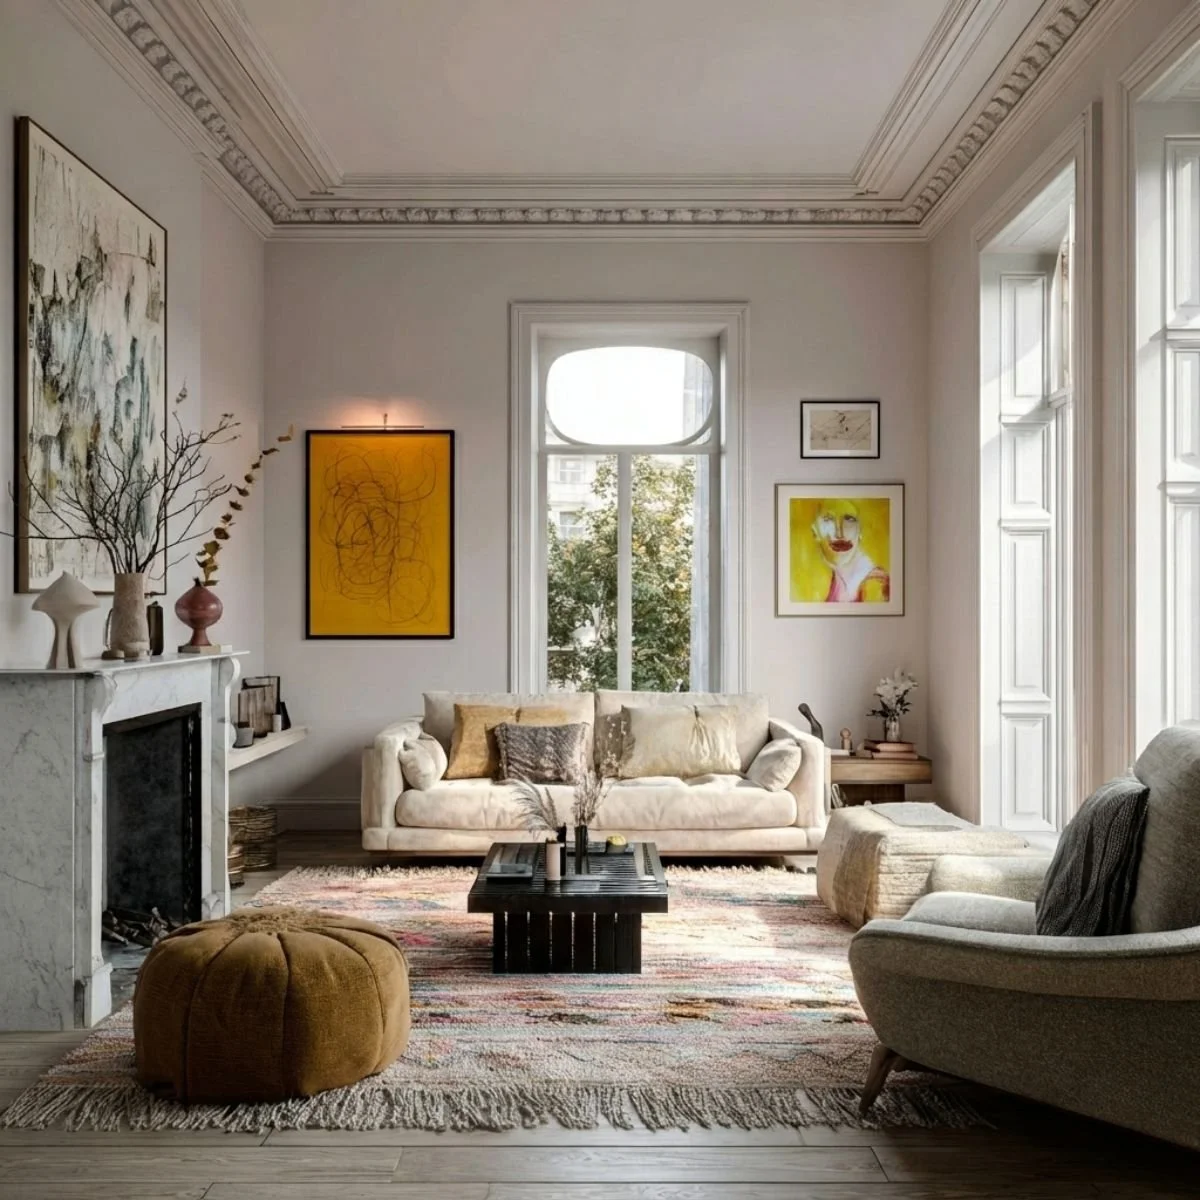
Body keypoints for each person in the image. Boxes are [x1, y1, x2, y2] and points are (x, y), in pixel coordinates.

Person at [811, 499, 889, 603]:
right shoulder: (838, 582)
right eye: (828, 519)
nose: (839, 533)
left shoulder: (875, 585)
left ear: (860, 531)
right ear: (815, 531)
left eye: (849, 519)